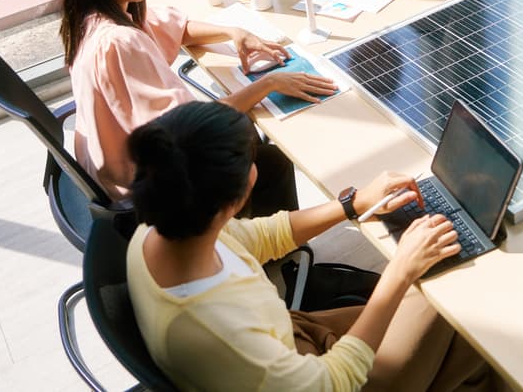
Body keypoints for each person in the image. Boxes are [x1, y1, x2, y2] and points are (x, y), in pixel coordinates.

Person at [126, 101, 498, 391]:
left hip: (289, 339)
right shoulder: (217, 332)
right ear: (231, 201)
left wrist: (354, 203)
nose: (256, 165)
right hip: (323, 377)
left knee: (461, 323)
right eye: (251, 160)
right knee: (464, 308)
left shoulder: (158, 231)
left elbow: (262, 236)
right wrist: (399, 270)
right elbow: (334, 382)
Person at [60, 0, 337, 210]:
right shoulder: (119, 42)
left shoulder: (91, 20)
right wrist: (268, 84)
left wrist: (232, 32)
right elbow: (187, 131)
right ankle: (263, 249)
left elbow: (175, 28)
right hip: (149, 186)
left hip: (113, 168)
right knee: (269, 158)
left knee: (246, 131)